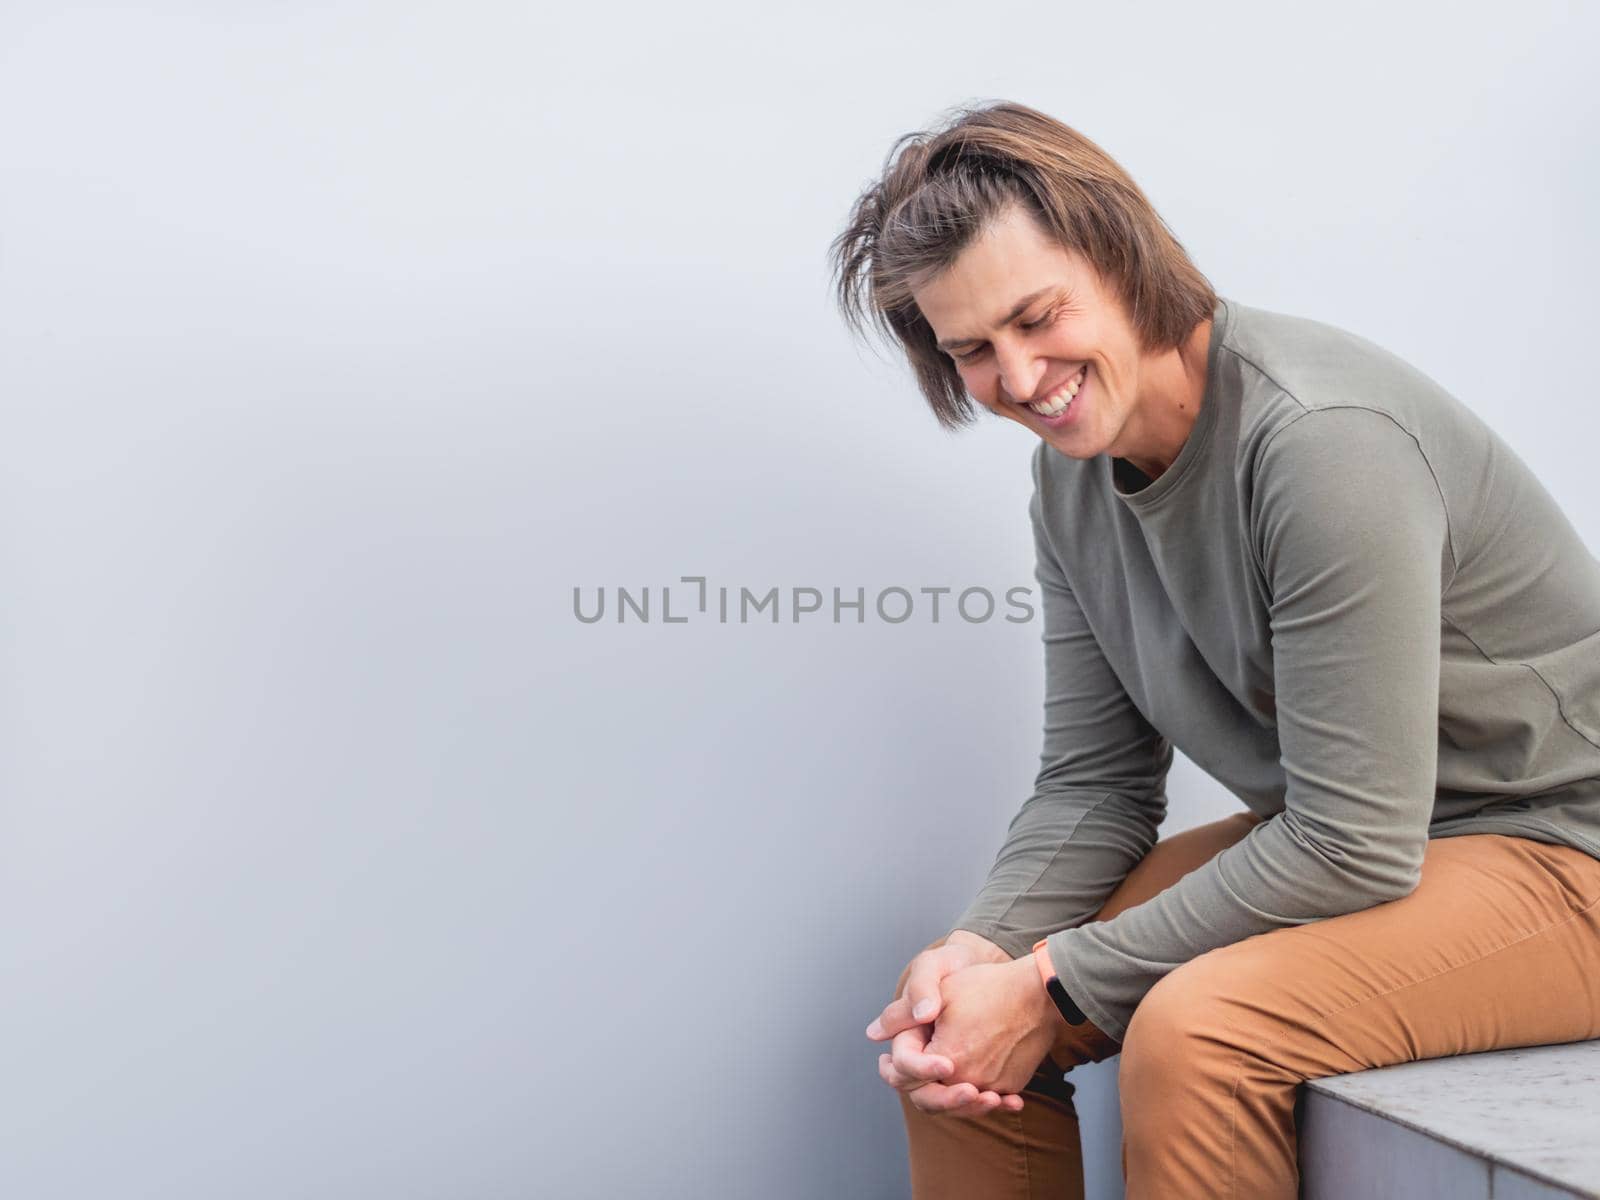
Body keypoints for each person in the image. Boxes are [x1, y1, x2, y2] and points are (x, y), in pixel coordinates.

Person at [827, 99, 1600, 1199]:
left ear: (1119, 257)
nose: (1021, 375)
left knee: (1199, 1027)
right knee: (951, 1026)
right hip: (1390, 836)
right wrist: (985, 954)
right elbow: (1093, 785)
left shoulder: (1322, 445)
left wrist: (1053, 982)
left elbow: (1352, 842)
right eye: (973, 353)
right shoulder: (1070, 480)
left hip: (1565, 850)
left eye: (1038, 316)